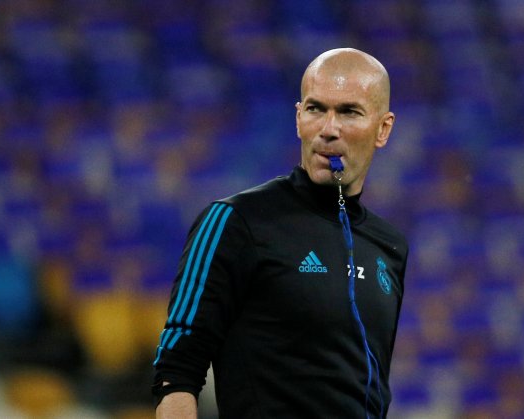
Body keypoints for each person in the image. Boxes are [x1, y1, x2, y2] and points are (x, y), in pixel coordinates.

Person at [152, 48, 408, 419]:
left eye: (349, 112)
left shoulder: (390, 247)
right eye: (316, 108)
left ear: (383, 129)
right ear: (298, 116)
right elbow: (175, 374)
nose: (328, 129)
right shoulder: (236, 221)